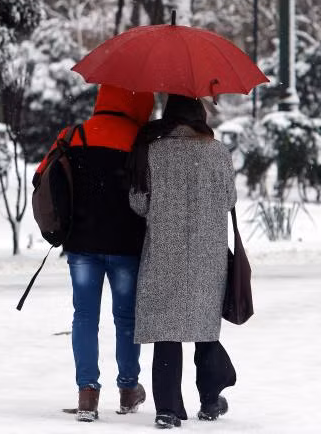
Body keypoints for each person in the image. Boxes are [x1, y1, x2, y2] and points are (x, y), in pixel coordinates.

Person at [35, 84, 155, 421]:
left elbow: (41, 176)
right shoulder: (141, 140)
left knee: (84, 317)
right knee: (126, 318)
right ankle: (129, 389)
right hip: (126, 244)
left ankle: (87, 394)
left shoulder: (73, 135)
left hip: (82, 243)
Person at [127, 94, 238, 429]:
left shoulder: (153, 151)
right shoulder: (217, 152)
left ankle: (168, 409)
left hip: (164, 253)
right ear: (199, 116)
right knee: (204, 330)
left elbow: (138, 204)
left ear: (168, 116)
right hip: (208, 254)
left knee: (167, 331)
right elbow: (229, 199)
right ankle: (209, 401)